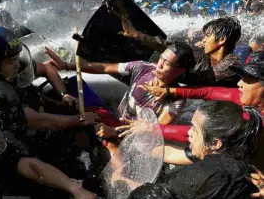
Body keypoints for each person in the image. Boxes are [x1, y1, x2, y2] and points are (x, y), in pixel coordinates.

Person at [0, 26, 98, 199]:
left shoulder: (12, 66)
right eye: (11, 61)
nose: (18, 65)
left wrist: (65, 95)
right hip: (19, 140)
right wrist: (77, 120)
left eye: (17, 58)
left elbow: (47, 69)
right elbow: (37, 121)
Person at [140, 51, 264, 170]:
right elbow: (208, 92)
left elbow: (205, 134)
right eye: (241, 77)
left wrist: (153, 129)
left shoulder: (251, 122)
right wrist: (169, 91)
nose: (239, 83)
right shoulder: (242, 98)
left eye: (247, 79)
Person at [45, 41, 195, 134]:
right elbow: (105, 68)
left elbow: (155, 131)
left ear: (179, 71)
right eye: (161, 58)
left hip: (134, 138)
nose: (159, 65)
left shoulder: (177, 97)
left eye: (167, 64)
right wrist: (68, 66)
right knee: (72, 87)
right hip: (115, 120)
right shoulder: (142, 67)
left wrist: (115, 133)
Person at [124, 101, 262, 199]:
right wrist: (143, 149)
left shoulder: (206, 175)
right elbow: (172, 153)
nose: (189, 132)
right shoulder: (237, 156)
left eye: (194, 129)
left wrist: (120, 181)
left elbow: (160, 194)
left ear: (215, 143)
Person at [120, 16, 242, 87]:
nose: (203, 40)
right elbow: (171, 48)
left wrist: (164, 73)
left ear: (221, 39)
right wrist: (137, 35)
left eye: (208, 36)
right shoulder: (202, 52)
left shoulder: (232, 65)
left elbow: (201, 79)